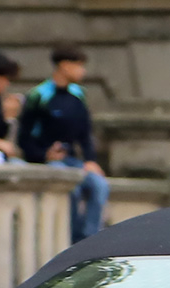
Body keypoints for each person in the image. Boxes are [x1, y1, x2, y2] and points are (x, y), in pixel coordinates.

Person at [19, 46, 112, 242]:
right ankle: (73, 238)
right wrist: (43, 154)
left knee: (99, 185)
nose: (82, 71)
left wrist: (90, 160)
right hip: (47, 161)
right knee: (72, 189)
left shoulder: (78, 94)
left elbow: (85, 133)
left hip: (70, 159)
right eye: (78, 66)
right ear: (64, 66)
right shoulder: (39, 95)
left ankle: (91, 237)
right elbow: (24, 137)